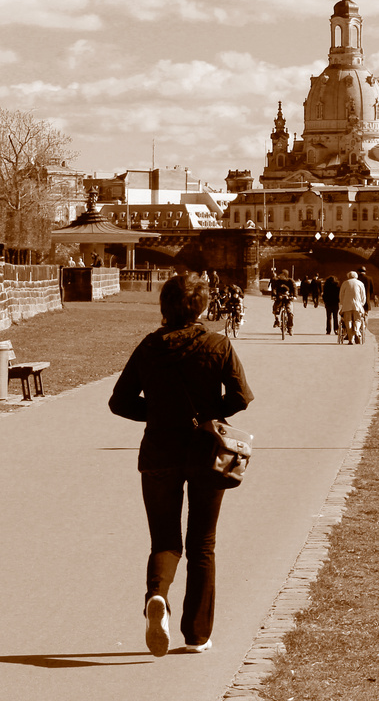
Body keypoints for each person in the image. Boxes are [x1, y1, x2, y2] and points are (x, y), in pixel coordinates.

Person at [109, 271, 253, 657]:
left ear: (164, 307)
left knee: (165, 539)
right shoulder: (218, 344)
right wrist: (210, 414)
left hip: (159, 450)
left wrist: (158, 413)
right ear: (203, 306)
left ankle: (157, 596)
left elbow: (119, 402)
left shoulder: (148, 348)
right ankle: (197, 633)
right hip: (207, 451)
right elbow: (241, 396)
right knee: (203, 543)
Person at [338, 269, 367, 344]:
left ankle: (351, 339)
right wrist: (362, 304)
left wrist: (342, 304)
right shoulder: (360, 283)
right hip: (357, 305)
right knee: (357, 320)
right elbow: (363, 296)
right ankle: (357, 332)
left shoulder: (345, 283)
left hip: (347, 305)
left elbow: (341, 295)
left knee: (348, 321)